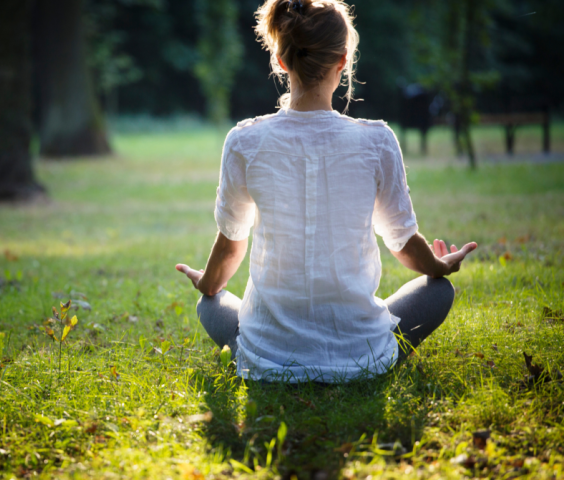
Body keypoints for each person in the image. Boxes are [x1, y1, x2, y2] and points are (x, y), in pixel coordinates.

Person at [175, 0, 477, 383]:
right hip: (363, 355)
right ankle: (360, 352)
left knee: (209, 302)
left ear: (282, 62)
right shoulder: (378, 141)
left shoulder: (244, 141)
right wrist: (439, 266)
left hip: (269, 360)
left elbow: (231, 246)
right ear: (343, 60)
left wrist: (206, 281)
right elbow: (403, 244)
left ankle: (264, 350)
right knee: (439, 292)